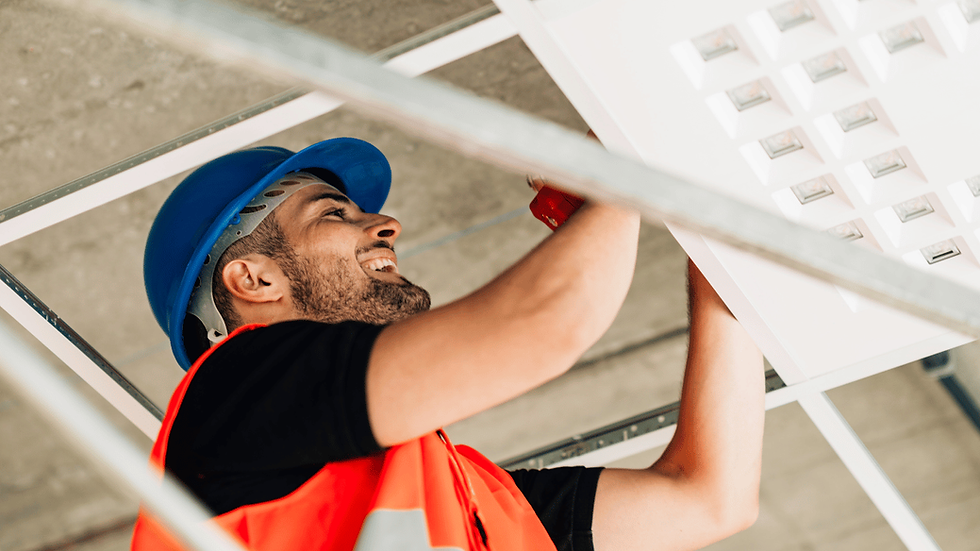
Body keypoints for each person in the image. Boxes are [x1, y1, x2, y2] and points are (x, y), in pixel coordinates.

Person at [134, 136, 763, 551]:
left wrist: (723, 262)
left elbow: (707, 499)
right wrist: (623, 172)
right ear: (254, 278)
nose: (386, 224)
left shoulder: (466, 500)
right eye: (333, 213)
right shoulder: (234, 397)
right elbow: (543, 325)